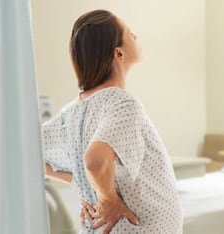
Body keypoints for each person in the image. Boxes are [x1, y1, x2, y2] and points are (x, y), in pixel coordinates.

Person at [43, 9, 182, 234]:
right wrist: (108, 200)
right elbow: (94, 162)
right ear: (119, 53)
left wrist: (88, 186)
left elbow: (34, 155)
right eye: (129, 34)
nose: (135, 37)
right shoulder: (123, 103)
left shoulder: (73, 111)